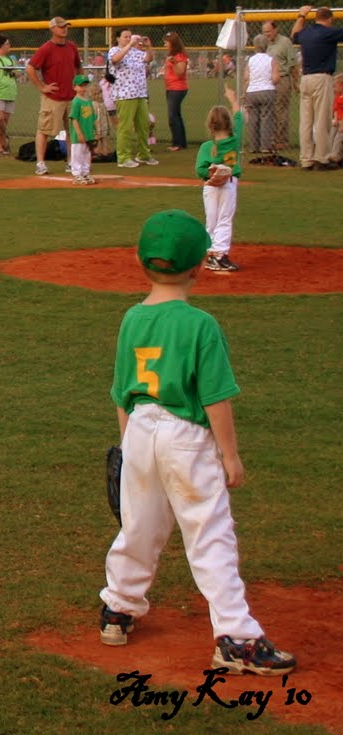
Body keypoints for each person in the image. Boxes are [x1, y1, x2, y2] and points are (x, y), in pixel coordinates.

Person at [98, 210, 296, 677]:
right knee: (210, 535)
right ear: (198, 267)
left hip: (141, 430)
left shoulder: (131, 317)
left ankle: (118, 610)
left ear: (140, 261)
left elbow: (121, 392)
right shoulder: (200, 324)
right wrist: (229, 454)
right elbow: (215, 398)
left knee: (139, 525)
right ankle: (237, 638)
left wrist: (129, 451)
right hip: (185, 437)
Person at [196, 87, 244, 272]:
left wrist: (212, 174)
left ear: (210, 126)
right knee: (224, 219)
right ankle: (220, 255)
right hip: (228, 185)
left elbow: (199, 169)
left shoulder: (207, 146)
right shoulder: (234, 139)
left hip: (210, 187)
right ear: (228, 124)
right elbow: (239, 117)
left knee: (212, 220)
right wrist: (232, 99)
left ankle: (209, 254)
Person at [28, 17, 81, 177]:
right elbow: (30, 68)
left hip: (72, 97)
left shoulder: (72, 47)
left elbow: (78, 67)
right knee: (45, 130)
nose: (64, 29)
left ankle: (72, 161)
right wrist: (42, 87)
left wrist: (81, 86)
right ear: (52, 29)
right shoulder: (46, 49)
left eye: (65, 26)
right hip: (54, 97)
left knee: (73, 130)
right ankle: (40, 163)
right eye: (60, 27)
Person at [292, 5, 343, 170]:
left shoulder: (306, 32)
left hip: (305, 78)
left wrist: (301, 15)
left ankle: (306, 159)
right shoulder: (329, 32)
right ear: (329, 19)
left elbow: (294, 36)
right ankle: (322, 159)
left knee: (306, 122)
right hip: (322, 78)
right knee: (322, 121)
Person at [108, 29, 155, 168]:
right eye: (125, 37)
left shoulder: (136, 52)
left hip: (140, 93)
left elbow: (148, 58)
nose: (128, 39)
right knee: (126, 126)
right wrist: (129, 45)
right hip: (124, 94)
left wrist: (148, 46)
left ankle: (144, 155)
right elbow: (115, 59)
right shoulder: (114, 50)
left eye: (130, 36)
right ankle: (123, 157)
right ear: (118, 38)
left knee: (144, 124)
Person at [261, 19, 301, 154]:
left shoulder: (285, 42)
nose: (267, 34)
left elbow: (293, 64)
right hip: (269, 81)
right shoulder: (267, 44)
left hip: (283, 79)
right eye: (264, 32)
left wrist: (296, 82)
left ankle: (281, 141)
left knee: (280, 111)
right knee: (271, 111)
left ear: (275, 30)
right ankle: (272, 139)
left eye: (269, 31)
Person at [241, 36, 278, 160]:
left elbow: (246, 77)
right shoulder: (271, 59)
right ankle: (265, 146)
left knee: (253, 119)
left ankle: (253, 146)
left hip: (252, 91)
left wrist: (245, 92)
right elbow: (275, 78)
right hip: (267, 90)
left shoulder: (250, 60)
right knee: (266, 118)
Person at [161, 33, 191, 152]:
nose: (165, 44)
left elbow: (180, 72)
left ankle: (177, 143)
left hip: (177, 88)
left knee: (173, 116)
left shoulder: (179, 56)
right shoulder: (172, 55)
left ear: (172, 43)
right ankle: (181, 142)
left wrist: (173, 62)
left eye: (166, 42)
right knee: (176, 115)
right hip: (170, 88)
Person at [67, 75, 98, 185]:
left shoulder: (88, 102)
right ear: (74, 87)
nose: (83, 88)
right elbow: (74, 119)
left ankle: (85, 173)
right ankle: (77, 175)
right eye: (80, 86)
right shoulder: (76, 102)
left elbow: (93, 119)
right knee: (77, 154)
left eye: (85, 85)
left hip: (88, 133)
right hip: (78, 135)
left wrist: (95, 131)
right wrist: (79, 133)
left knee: (86, 154)